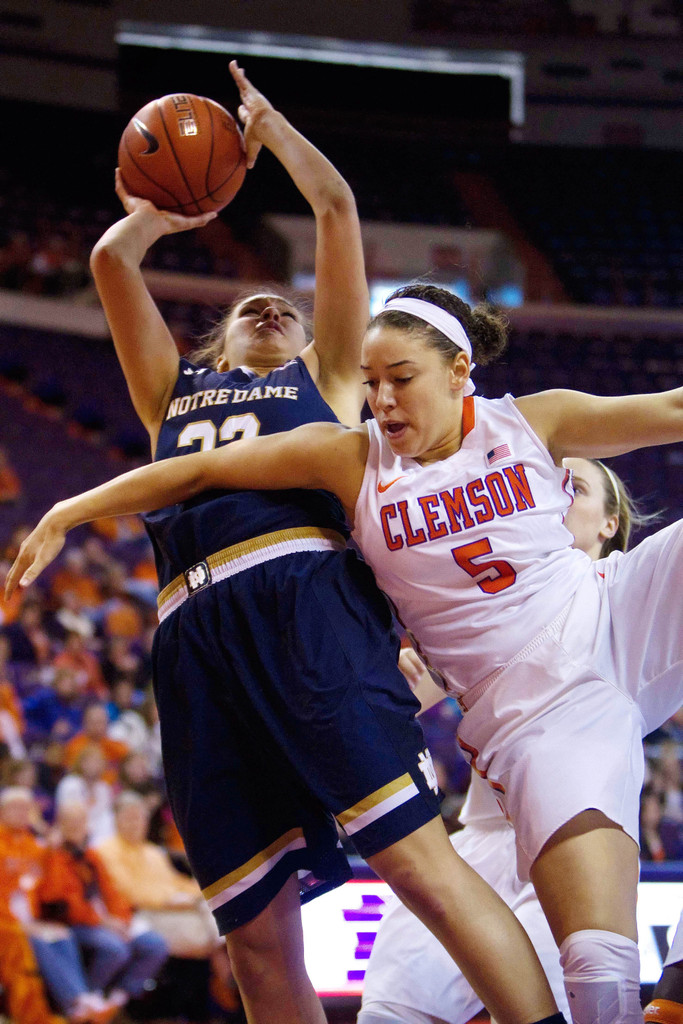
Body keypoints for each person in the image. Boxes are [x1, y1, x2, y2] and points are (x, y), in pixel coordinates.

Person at [5, 71, 564, 1024]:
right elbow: (110, 260)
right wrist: (162, 210)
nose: (269, 306)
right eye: (249, 306)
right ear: (216, 337)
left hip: (304, 600)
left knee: (412, 862)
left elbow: (336, 208)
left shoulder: (334, 378)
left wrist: (270, 133)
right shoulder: (169, 394)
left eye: (286, 306)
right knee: (255, 937)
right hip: (191, 637)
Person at [10, 282, 683, 1024]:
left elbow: (672, 410)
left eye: (401, 379)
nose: (383, 401)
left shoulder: (529, 420)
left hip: (611, 608)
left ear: (458, 371)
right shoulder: (351, 460)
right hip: (535, 709)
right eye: (370, 384)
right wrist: (74, 508)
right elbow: (197, 471)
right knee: (597, 971)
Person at [357, 457, 644, 1024]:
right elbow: (408, 695)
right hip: (481, 837)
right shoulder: (494, 598)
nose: (561, 494)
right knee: (393, 1009)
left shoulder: (629, 601)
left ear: (609, 524)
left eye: (578, 488)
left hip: (579, 842)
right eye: (552, 483)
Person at [38, 798, 168, 1012]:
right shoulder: (54, 855)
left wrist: (122, 920)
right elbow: (62, 903)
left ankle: (119, 997)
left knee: (155, 945)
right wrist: (104, 922)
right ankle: (88, 998)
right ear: (60, 824)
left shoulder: (91, 854)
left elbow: (112, 893)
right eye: (70, 822)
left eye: (80, 821)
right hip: (75, 923)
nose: (76, 826)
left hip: (104, 921)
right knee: (115, 948)